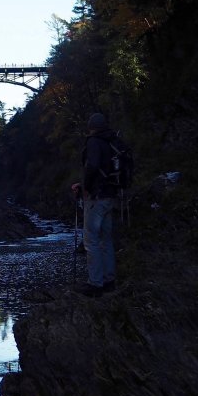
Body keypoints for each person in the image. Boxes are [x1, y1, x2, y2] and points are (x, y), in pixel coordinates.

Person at [71, 112, 120, 297]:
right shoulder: (112, 140)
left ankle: (95, 283)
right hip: (111, 195)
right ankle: (109, 281)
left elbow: (92, 167)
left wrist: (85, 188)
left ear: (91, 127)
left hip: (96, 197)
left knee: (91, 241)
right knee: (106, 240)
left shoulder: (93, 142)